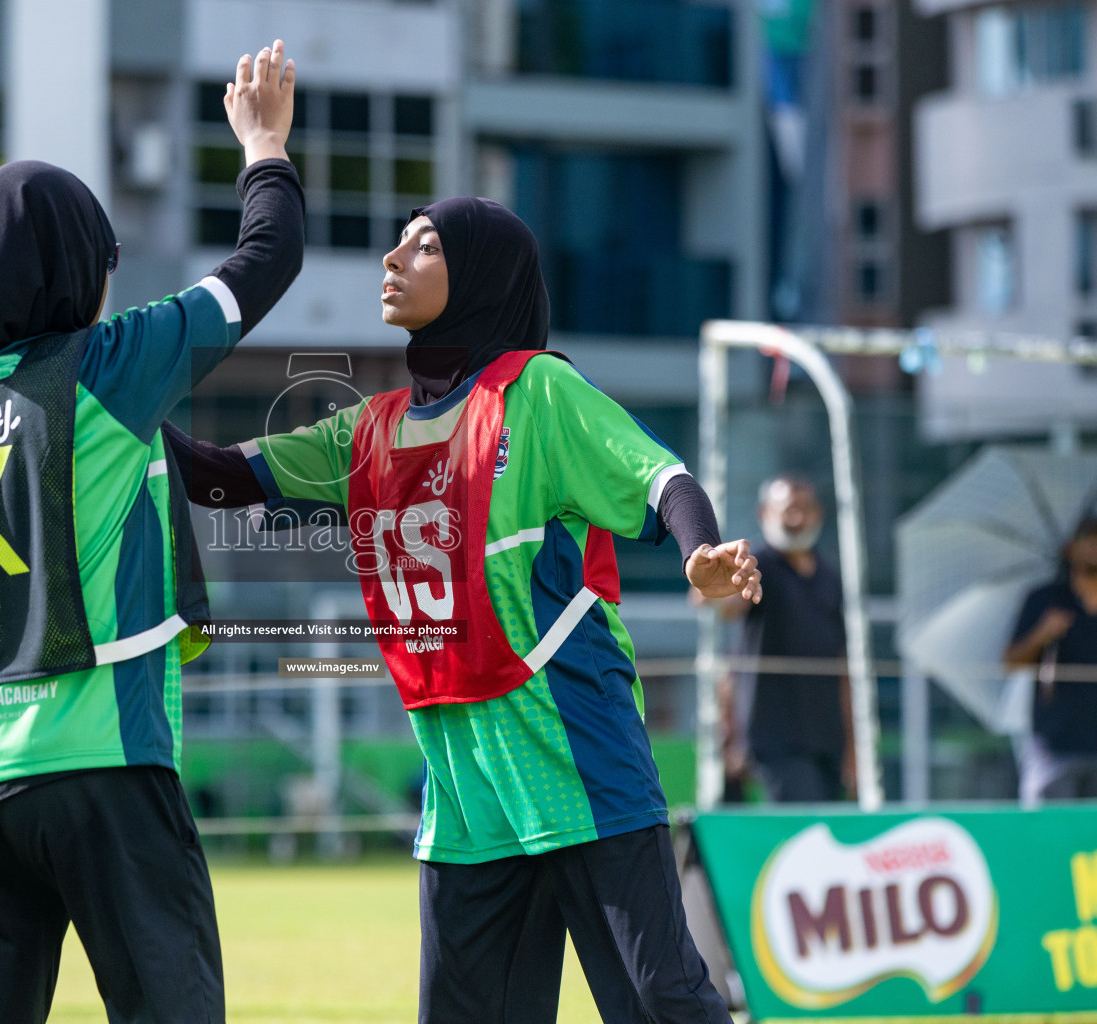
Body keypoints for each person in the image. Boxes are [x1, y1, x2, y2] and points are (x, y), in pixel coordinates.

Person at [164, 199, 760, 1023]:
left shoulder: (538, 390)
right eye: (399, 241)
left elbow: (663, 480)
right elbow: (217, 478)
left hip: (576, 759)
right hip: (463, 789)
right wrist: (105, 391)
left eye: (426, 245)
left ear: (482, 275)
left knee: (662, 1001)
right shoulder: (368, 432)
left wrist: (700, 551)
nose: (393, 258)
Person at [0, 41, 301, 1024]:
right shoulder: (104, 369)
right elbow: (266, 261)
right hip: (95, 759)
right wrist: (263, 146)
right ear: (73, 270)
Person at [711, 475, 852, 803]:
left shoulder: (830, 578)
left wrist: (853, 748)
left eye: (804, 509)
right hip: (774, 741)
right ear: (765, 514)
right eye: (788, 509)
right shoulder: (756, 569)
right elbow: (724, 606)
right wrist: (711, 584)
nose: (797, 518)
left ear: (819, 513)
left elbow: (843, 667)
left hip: (829, 741)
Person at [1006, 517, 1097, 803]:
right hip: (1055, 745)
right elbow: (1011, 662)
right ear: (1071, 548)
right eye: (1089, 540)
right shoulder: (1046, 599)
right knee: (1053, 832)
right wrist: (1042, 634)